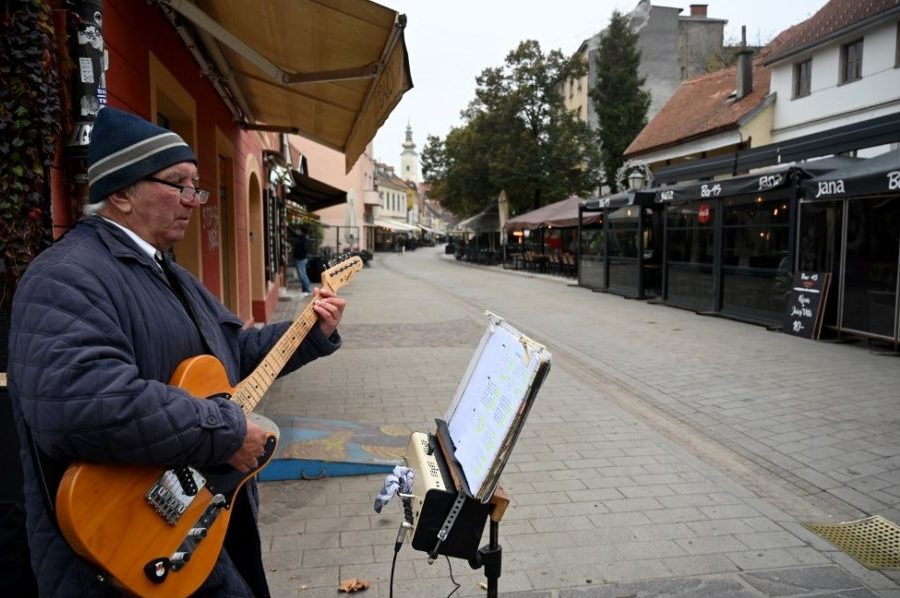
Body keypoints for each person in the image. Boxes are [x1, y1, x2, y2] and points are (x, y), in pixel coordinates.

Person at [7, 106, 346, 597]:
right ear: (121, 193)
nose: (194, 201)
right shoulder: (64, 276)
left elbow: (230, 354)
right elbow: (81, 403)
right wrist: (227, 431)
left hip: (187, 523)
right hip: (117, 554)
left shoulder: (167, 271)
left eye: (196, 187)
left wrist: (310, 332)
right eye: (179, 184)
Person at [289, 224, 312, 296]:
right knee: (302, 274)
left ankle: (307, 290)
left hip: (301, 259)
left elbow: (304, 249)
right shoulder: (303, 237)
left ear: (302, 231)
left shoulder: (304, 238)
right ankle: (305, 289)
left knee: (302, 274)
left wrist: (299, 255)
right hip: (301, 258)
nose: (298, 231)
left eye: (299, 230)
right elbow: (295, 234)